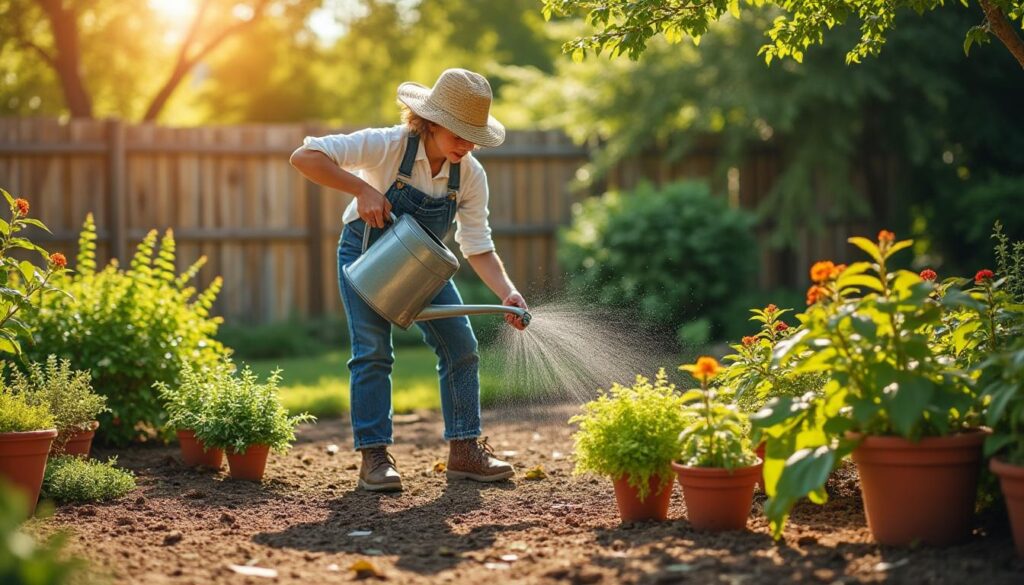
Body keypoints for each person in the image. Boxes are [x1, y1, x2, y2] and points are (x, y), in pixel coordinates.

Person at [289, 68, 527, 492]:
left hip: (425, 264)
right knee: (373, 352)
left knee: (461, 347)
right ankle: (375, 458)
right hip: (365, 256)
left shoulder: (470, 175)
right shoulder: (387, 145)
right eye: (459, 132)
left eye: (473, 135)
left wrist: (506, 291)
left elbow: (477, 245)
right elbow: (305, 157)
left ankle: (465, 451)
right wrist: (360, 191)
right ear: (431, 121)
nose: (467, 144)